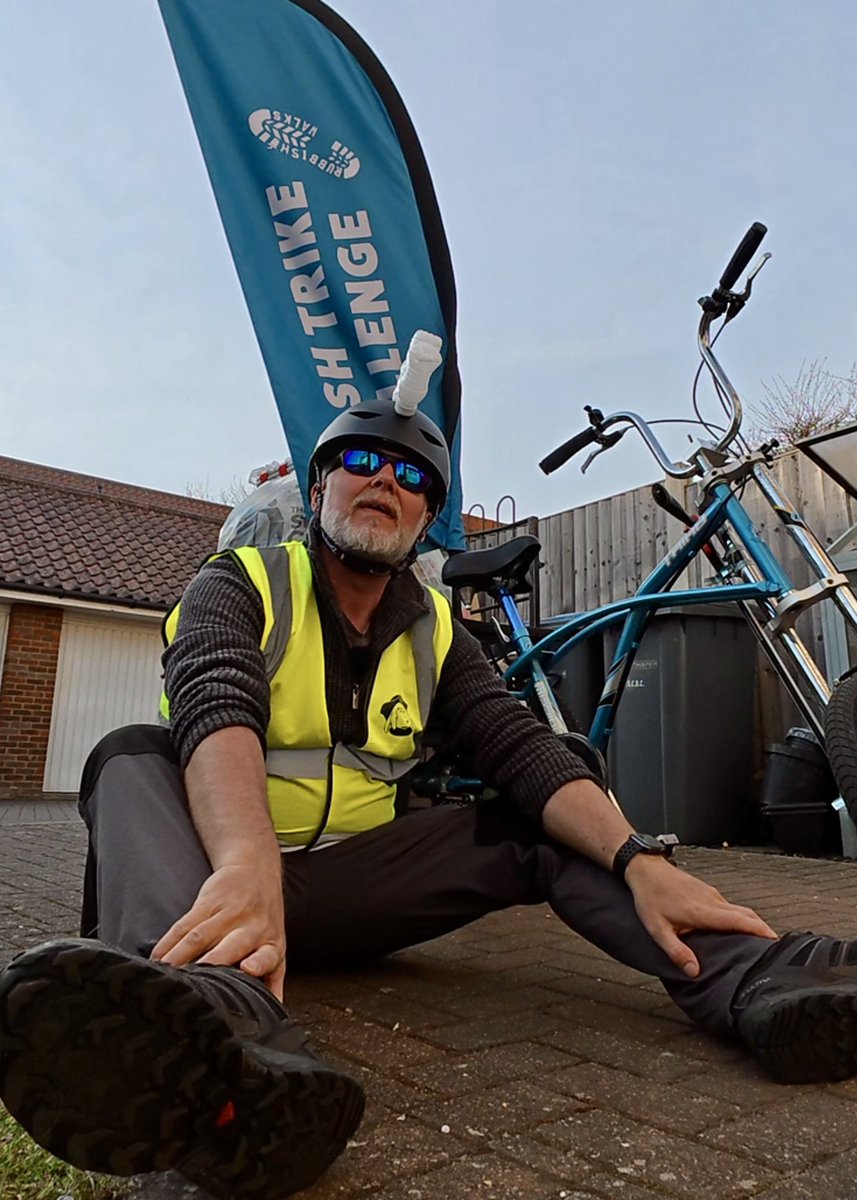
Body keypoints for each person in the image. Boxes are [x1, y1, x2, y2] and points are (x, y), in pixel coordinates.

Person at [2, 399, 857, 1200]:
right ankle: (209, 1026)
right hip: (214, 895)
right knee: (129, 755)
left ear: (424, 520)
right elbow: (215, 702)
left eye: (411, 478)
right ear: (316, 488)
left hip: (351, 889)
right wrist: (245, 866)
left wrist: (639, 859)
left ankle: (756, 981)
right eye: (362, 461)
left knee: (545, 802)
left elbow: (519, 750)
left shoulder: (437, 629)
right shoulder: (240, 583)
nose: (385, 481)